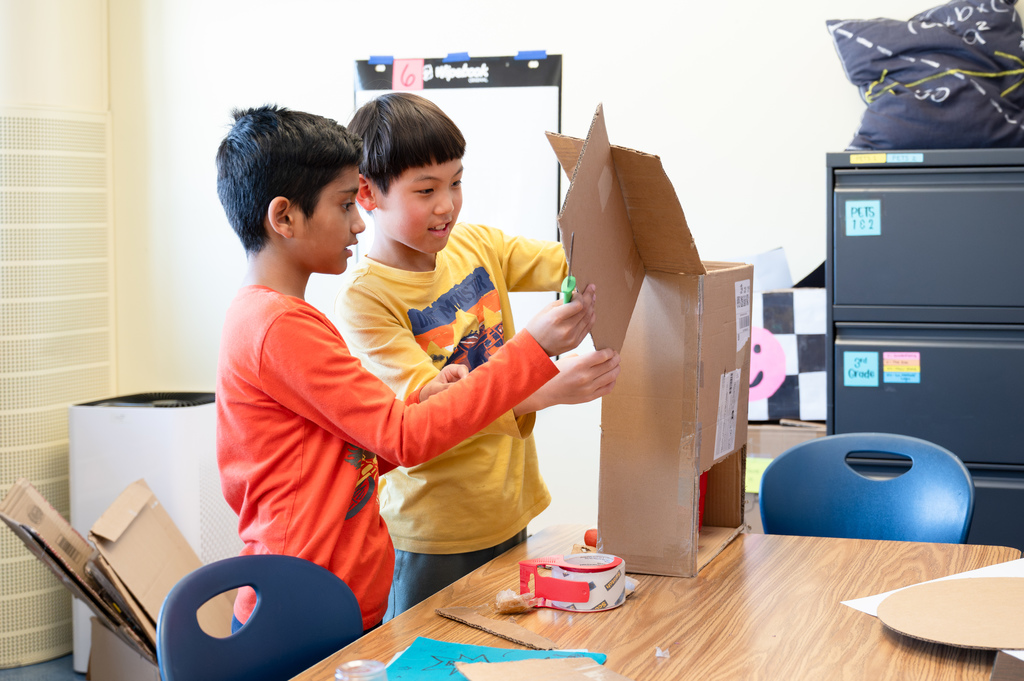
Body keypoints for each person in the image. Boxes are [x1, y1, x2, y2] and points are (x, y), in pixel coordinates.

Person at [214, 104, 598, 633]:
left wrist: (421, 399)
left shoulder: (282, 319)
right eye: (346, 204)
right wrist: (532, 355)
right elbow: (405, 440)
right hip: (303, 602)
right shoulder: (279, 328)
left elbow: (357, 445)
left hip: (331, 592)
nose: (356, 222)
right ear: (284, 217)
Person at [335, 93, 621, 620]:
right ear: (368, 194)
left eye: (456, 182)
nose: (447, 204)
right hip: (432, 532)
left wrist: (609, 236)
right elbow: (432, 412)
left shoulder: (477, 245)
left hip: (508, 508)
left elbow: (568, 260)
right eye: (426, 190)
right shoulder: (366, 298)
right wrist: (553, 389)